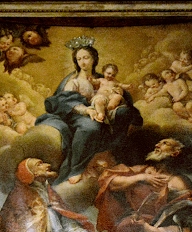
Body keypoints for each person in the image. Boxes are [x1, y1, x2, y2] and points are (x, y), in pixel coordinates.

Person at [35, 37, 142, 185]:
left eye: (86, 58)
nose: (83, 62)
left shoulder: (101, 79)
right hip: (76, 114)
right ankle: (75, 169)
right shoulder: (73, 80)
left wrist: (118, 95)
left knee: (124, 113)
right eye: (79, 59)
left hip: (102, 111)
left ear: (94, 59)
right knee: (90, 127)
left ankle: (112, 154)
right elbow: (64, 101)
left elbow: (119, 92)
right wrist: (87, 111)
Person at [95, 138, 192, 232]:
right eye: (158, 142)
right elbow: (110, 182)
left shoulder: (177, 181)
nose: (157, 144)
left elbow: (191, 206)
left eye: (164, 143)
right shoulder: (144, 170)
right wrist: (142, 177)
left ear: (175, 153)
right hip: (128, 225)